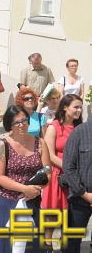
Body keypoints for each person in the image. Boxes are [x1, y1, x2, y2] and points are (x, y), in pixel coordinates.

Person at [0, 105, 51, 253]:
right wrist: (24, 189)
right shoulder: (3, 145)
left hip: (32, 202)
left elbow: (48, 171)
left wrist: (35, 190)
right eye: (16, 122)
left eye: (24, 120)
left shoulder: (40, 143)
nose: (21, 125)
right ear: (9, 124)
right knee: (6, 246)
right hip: (7, 203)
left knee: (32, 247)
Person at [41, 94, 82, 245]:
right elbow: (49, 154)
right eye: (75, 107)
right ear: (65, 107)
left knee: (70, 214)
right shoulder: (54, 127)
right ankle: (47, 244)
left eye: (80, 107)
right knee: (52, 216)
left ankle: (65, 245)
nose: (79, 110)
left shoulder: (80, 128)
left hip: (76, 177)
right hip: (58, 176)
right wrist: (69, 168)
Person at [62, 107, 92, 253]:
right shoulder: (79, 132)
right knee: (71, 242)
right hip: (80, 198)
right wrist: (84, 194)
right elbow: (68, 167)